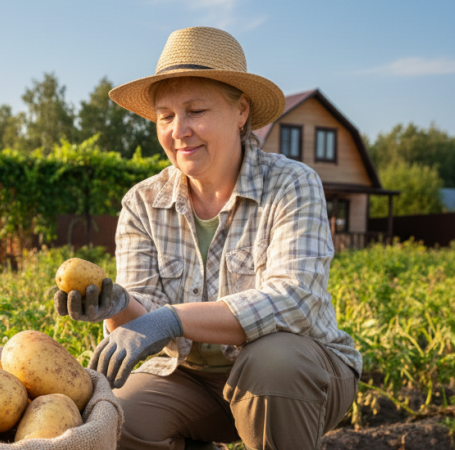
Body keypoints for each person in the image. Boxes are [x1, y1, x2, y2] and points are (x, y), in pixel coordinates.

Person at [54, 27, 360, 450]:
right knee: (113, 417)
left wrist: (174, 318)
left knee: (271, 361)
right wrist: (121, 306)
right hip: (188, 375)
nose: (179, 130)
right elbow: (146, 319)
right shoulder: (143, 203)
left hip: (301, 373)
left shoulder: (291, 184)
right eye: (165, 116)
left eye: (196, 110)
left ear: (241, 112)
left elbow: (295, 298)